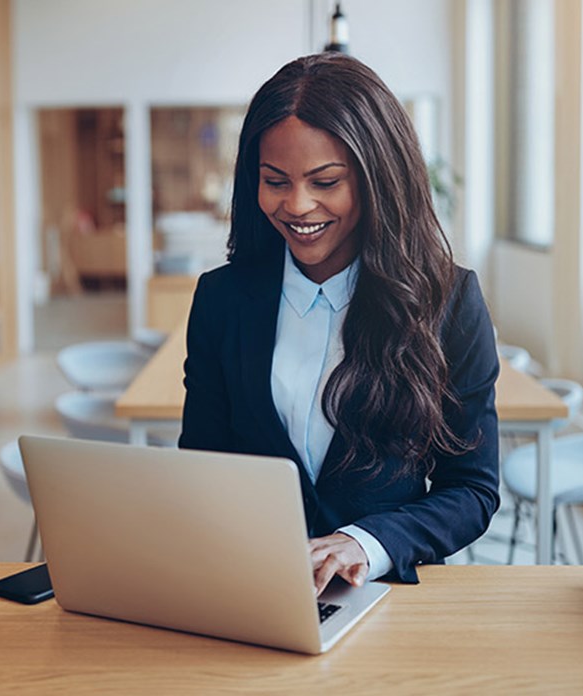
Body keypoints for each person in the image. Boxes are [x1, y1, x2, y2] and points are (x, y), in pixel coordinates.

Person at [178, 53, 500, 591]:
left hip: (383, 595)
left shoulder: (448, 300)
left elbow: (471, 489)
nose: (297, 205)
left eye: (326, 181)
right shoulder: (222, 299)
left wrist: (366, 544)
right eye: (274, 180)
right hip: (251, 587)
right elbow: (204, 463)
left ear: (379, 179)